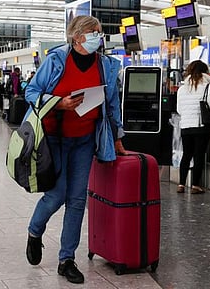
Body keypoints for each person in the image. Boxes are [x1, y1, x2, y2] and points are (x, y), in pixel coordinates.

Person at [24, 15, 126, 284]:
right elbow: (31, 91)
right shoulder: (57, 60)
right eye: (94, 32)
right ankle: (35, 231)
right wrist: (59, 103)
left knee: (78, 199)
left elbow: (112, 104)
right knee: (56, 195)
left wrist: (117, 138)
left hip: (84, 139)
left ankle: (66, 259)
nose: (99, 37)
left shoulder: (104, 65)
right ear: (78, 37)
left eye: (100, 32)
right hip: (54, 138)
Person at [176, 60, 210, 194]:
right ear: (205, 72)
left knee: (186, 155)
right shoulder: (207, 87)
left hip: (186, 126)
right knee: (198, 155)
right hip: (201, 126)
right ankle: (195, 185)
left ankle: (181, 184)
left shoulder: (182, 89)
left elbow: (179, 109)